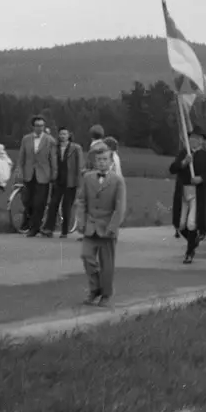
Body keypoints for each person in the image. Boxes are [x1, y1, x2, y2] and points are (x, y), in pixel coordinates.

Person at [76, 140, 127, 308]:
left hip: (107, 228)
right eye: (99, 160)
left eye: (105, 159)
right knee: (86, 256)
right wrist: (81, 221)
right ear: (94, 161)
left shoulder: (117, 181)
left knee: (107, 264)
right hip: (90, 226)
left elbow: (119, 207)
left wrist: (113, 227)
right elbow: (82, 201)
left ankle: (106, 294)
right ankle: (95, 287)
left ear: (111, 161)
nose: (102, 162)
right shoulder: (88, 177)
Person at [170, 127, 206, 263]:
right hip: (183, 192)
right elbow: (172, 169)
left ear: (202, 141)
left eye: (196, 138)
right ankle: (193, 241)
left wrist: (201, 178)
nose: (193, 141)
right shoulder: (184, 153)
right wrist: (184, 162)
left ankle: (189, 252)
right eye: (191, 138)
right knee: (180, 224)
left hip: (198, 193)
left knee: (192, 223)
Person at [14, 115, 56, 236]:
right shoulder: (26, 139)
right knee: (27, 200)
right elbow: (22, 156)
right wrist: (19, 171)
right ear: (33, 127)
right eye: (37, 126)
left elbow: (52, 158)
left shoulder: (50, 140)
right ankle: (30, 222)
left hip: (43, 174)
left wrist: (54, 174)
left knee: (39, 202)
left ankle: (34, 227)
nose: (39, 128)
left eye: (41, 125)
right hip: (29, 174)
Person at [42, 128, 83, 237]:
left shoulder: (76, 148)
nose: (62, 136)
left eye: (65, 134)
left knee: (66, 206)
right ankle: (48, 229)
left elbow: (79, 166)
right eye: (61, 134)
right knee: (53, 204)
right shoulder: (55, 148)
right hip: (58, 180)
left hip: (70, 182)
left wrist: (79, 182)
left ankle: (64, 231)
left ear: (69, 135)